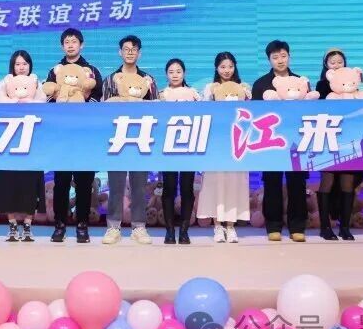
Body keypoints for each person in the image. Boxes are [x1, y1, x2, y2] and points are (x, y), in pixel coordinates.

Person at [45, 27, 104, 243]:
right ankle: (59, 225)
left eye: (74, 41)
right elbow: (47, 97)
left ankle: (82, 225)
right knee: (61, 182)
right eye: (67, 42)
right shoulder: (55, 70)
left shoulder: (91, 71)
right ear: (62, 46)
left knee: (84, 182)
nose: (70, 45)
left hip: (85, 134)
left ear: (81, 45)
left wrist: (84, 102)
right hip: (61, 134)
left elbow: (99, 98)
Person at [100, 35, 159, 245]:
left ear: (139, 53)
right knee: (115, 185)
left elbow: (157, 108)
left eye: (134, 49)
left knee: (139, 185)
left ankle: (139, 226)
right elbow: (103, 108)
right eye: (126, 49)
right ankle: (113, 227)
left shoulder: (148, 80)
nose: (130, 52)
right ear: (120, 52)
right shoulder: (110, 79)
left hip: (141, 137)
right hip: (117, 137)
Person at [251, 40, 311, 242]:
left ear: (289, 57)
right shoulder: (261, 84)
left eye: (283, 56)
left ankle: (297, 226)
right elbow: (256, 115)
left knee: (297, 183)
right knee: (272, 183)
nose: (280, 60)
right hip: (271, 140)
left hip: (296, 140)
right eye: (275, 57)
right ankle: (273, 225)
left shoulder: (301, 82)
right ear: (269, 59)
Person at [199, 51, 251, 243]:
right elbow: (203, 112)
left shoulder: (244, 88)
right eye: (222, 67)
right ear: (216, 68)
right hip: (216, 143)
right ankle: (217, 226)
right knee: (215, 183)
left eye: (230, 66)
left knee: (235, 183)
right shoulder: (210, 88)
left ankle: (231, 226)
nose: (227, 70)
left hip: (237, 143)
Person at [0, 50, 47, 242]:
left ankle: (27, 225)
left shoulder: (36, 82)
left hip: (31, 142)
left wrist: (30, 102)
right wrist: (15, 101)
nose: (21, 67)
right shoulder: (5, 82)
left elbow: (43, 102)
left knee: (31, 184)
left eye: (25, 63)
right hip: (8, 143)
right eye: (17, 64)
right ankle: (12, 225)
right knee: (8, 183)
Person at [313, 48, 362, 241]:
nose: (336, 65)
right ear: (326, 65)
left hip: (350, 139)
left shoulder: (355, 86)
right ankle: (325, 227)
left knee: (347, 182)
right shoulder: (322, 85)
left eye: (339, 62)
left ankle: (345, 227)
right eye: (332, 62)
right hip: (329, 138)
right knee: (328, 180)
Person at [158, 58, 198, 245]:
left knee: (187, 189)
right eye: (171, 72)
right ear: (166, 74)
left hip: (189, 146)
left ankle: (184, 231)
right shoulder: (161, 95)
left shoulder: (193, 94)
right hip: (168, 147)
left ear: (184, 73)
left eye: (178, 71)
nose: (175, 75)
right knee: (169, 188)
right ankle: (169, 231)